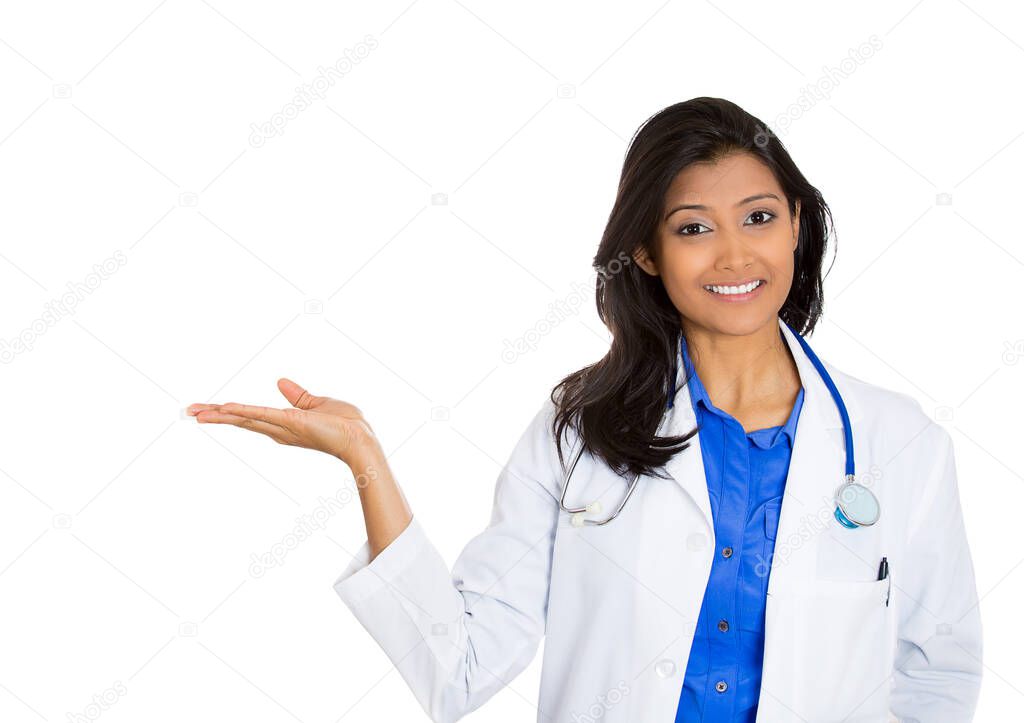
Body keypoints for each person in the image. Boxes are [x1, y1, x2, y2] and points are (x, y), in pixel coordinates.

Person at [187, 97, 983, 722]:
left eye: (760, 217)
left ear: (798, 224)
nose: (737, 255)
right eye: (694, 228)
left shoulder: (897, 441)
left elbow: (939, 670)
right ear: (645, 251)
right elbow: (457, 669)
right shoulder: (582, 428)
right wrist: (363, 454)